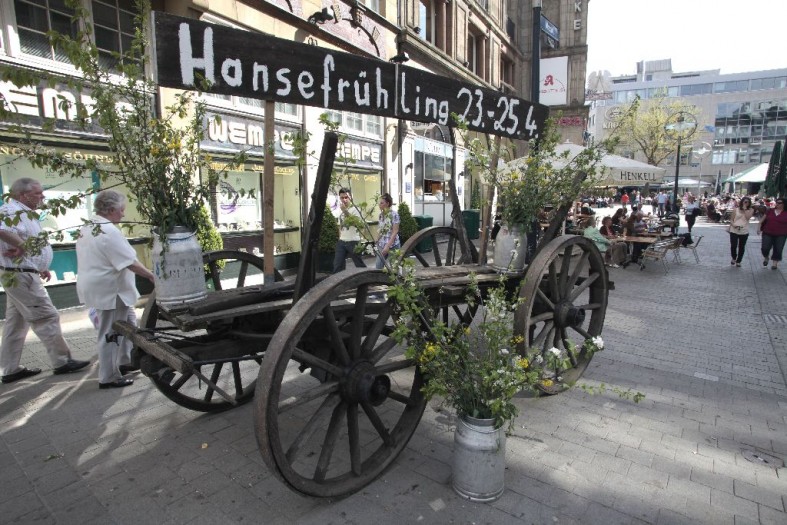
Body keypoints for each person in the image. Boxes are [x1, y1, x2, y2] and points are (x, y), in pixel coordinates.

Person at [0, 178, 90, 383]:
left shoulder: (25, 212)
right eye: (38, 193)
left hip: (22, 272)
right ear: (23, 195)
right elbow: (2, 229)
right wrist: (24, 246)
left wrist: (39, 265)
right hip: (19, 273)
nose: (42, 196)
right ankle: (62, 361)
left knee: (16, 323)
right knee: (46, 316)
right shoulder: (10, 210)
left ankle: (10, 369)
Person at [76, 190, 155, 389]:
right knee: (110, 332)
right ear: (111, 210)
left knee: (129, 323)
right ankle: (108, 376)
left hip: (100, 285)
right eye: (121, 210)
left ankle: (124, 361)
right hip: (110, 290)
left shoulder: (89, 226)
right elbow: (130, 262)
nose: (123, 214)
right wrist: (152, 276)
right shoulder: (107, 231)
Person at [332, 188, 365, 273]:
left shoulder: (356, 209)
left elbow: (356, 223)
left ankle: (365, 279)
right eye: (342, 198)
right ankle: (339, 280)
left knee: (359, 264)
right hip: (342, 241)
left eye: (346, 197)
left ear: (350, 197)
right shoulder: (340, 209)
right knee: (337, 265)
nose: (344, 200)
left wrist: (345, 211)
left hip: (353, 241)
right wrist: (340, 237)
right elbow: (340, 225)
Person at [758, 198, 787, 270]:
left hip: (781, 234)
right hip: (767, 232)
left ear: (784, 204)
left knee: (778, 249)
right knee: (765, 248)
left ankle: (775, 263)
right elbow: (762, 220)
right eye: (777, 202)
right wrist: (759, 228)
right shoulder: (770, 211)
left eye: (779, 203)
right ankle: (766, 257)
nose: (777, 204)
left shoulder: (785, 213)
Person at [375, 193, 400, 269]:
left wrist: (387, 246)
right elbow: (381, 230)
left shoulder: (394, 215)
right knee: (378, 267)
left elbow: (395, 231)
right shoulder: (381, 215)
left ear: (387, 204)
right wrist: (376, 240)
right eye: (379, 203)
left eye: (382, 203)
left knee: (394, 269)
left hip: (393, 245)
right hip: (382, 245)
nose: (379, 205)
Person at [728, 197, 754, 268]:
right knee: (733, 245)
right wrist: (733, 225)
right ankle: (734, 257)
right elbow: (731, 219)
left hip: (744, 230)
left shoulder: (751, 210)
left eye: (747, 202)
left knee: (741, 246)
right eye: (744, 202)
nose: (746, 203)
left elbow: (748, 218)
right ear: (742, 202)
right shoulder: (736, 210)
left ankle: (739, 261)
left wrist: (745, 209)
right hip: (734, 230)